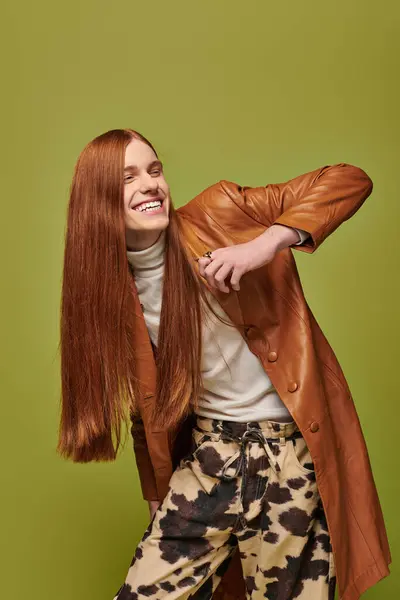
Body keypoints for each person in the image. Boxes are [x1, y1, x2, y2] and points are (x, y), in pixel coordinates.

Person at [57, 129, 391, 600]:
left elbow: (349, 180)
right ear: (96, 199)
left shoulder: (223, 211)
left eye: (154, 170)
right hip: (209, 459)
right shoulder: (112, 293)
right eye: (126, 177)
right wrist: (157, 498)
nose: (149, 184)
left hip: (288, 460)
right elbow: (144, 409)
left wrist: (263, 245)